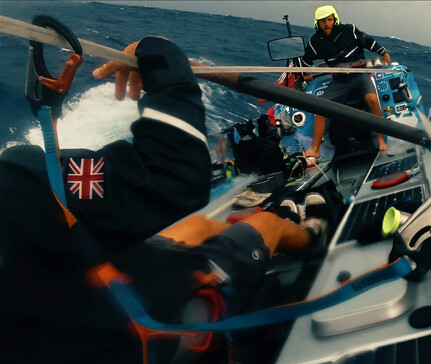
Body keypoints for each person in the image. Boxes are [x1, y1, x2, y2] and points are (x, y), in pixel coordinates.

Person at [0, 36, 326, 363]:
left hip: (67, 292)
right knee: (267, 224)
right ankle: (313, 231)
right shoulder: (15, 179)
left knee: (199, 225)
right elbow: (175, 175)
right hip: (127, 325)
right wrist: (161, 58)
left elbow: (59, 218)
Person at [298, 5, 392, 159]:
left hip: (360, 74)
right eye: (323, 21)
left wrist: (384, 53)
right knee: (320, 109)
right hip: (340, 81)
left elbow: (368, 41)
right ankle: (315, 149)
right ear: (317, 23)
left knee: (372, 99)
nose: (327, 23)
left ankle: (380, 138)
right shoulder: (315, 42)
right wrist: (305, 73)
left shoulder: (349, 30)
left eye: (330, 19)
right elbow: (306, 60)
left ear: (335, 19)